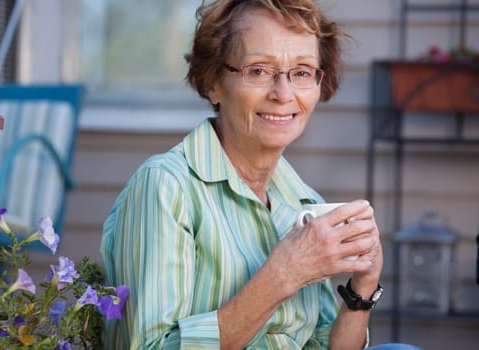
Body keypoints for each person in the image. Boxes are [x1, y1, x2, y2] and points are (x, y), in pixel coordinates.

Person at [100, 1, 421, 349]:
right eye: (258, 70)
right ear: (213, 83)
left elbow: (324, 345)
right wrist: (283, 275)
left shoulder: (306, 203)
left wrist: (363, 287)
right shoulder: (166, 186)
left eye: (301, 72)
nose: (283, 94)